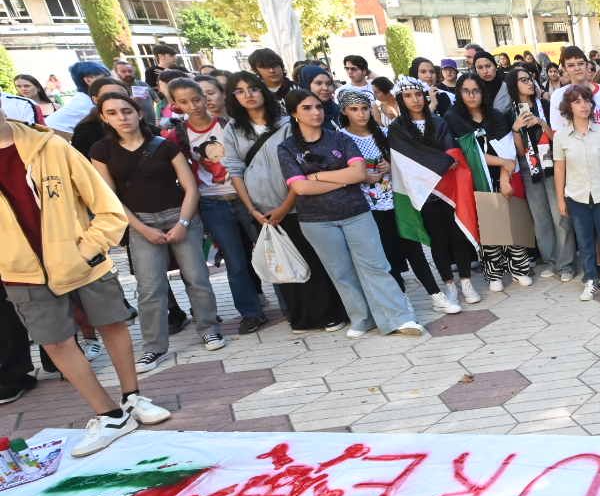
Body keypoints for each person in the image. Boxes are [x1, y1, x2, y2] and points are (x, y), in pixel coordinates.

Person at [1, 91, 170, 456]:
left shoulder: (50, 147)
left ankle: (132, 397)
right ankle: (107, 414)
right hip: (21, 271)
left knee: (112, 323)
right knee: (55, 341)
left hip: (83, 258)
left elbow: (105, 204)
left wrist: (90, 246)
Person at [88, 89, 225, 374]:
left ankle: (209, 328)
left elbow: (190, 188)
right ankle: (153, 347)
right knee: (150, 288)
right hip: (140, 222)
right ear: (104, 118)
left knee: (197, 278)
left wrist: (183, 223)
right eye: (112, 113)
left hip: (178, 215)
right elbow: (110, 197)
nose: (121, 117)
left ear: (138, 112)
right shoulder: (101, 151)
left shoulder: (164, 145)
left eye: (126, 111)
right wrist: (141, 229)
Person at [279, 88, 424, 339]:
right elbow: (301, 187)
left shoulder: (340, 139)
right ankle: (362, 318)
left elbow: (358, 174)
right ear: (294, 114)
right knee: (341, 272)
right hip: (317, 221)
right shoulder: (288, 148)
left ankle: (399, 318)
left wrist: (318, 176)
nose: (315, 112)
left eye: (318, 107)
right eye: (307, 108)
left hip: (356, 212)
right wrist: (342, 179)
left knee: (376, 265)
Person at [335, 87, 456, 314]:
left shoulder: (384, 132)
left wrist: (391, 166)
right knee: (387, 255)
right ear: (344, 111)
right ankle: (400, 302)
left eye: (364, 109)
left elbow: (404, 160)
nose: (361, 114)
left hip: (397, 200)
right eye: (354, 109)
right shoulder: (341, 139)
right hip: (368, 208)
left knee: (414, 249)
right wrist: (361, 175)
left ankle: (436, 295)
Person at [166, 78, 268, 335]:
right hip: (212, 202)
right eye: (184, 102)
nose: (194, 105)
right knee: (235, 261)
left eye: (197, 98)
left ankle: (290, 301)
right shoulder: (178, 135)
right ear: (175, 105)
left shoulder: (227, 125)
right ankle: (250, 312)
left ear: (206, 97)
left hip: (246, 196)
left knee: (270, 249)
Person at [392, 77, 479, 303]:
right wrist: (434, 162)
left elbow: (452, 155)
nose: (415, 100)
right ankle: (449, 284)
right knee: (437, 240)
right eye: (409, 96)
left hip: (449, 190)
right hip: (424, 195)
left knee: (457, 236)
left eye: (419, 95)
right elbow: (407, 160)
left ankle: (466, 282)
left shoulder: (439, 122)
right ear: (401, 99)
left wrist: (433, 162)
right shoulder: (397, 129)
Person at [446, 72, 530, 292]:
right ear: (459, 93)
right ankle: (494, 273)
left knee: (510, 222)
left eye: (476, 91)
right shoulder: (453, 118)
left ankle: (519, 268)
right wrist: (502, 161)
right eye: (466, 91)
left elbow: (507, 147)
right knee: (486, 226)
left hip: (502, 175)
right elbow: (468, 153)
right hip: (474, 179)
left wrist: (504, 177)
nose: (472, 95)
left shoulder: (496, 115)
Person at [552, 82, 600, 302]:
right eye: (577, 102)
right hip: (576, 196)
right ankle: (591, 280)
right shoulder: (561, 137)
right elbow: (559, 169)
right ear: (569, 107)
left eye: (586, 101)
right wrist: (560, 199)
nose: (583, 105)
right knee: (584, 243)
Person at [506, 68, 569, 281]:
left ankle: (566, 263)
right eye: (523, 80)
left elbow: (559, 139)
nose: (529, 83)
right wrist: (516, 129)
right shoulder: (508, 112)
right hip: (528, 167)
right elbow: (515, 151)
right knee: (540, 218)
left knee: (560, 214)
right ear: (514, 86)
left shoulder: (546, 106)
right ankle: (551, 260)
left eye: (530, 79)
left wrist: (541, 123)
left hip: (552, 163)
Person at [44, 61, 109, 147]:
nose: (111, 80)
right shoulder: (86, 103)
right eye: (106, 77)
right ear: (88, 80)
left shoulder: (83, 99)